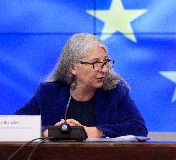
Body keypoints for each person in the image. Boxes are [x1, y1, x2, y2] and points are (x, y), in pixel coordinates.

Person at [15, 33, 148, 138]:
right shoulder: (50, 92)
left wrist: (97, 132)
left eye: (106, 62)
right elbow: (18, 124)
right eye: (95, 63)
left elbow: (139, 128)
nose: (105, 69)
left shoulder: (114, 91)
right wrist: (47, 132)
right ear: (73, 68)